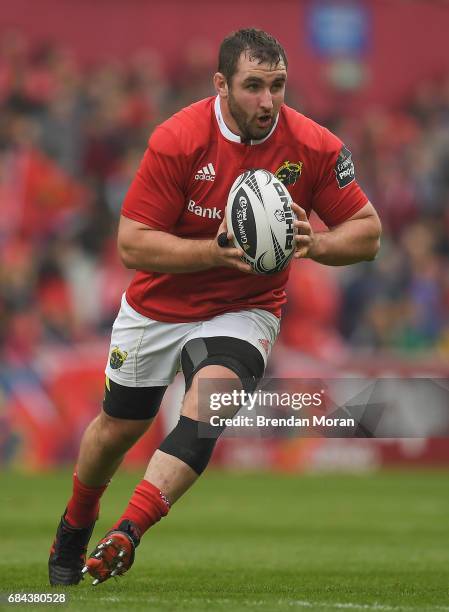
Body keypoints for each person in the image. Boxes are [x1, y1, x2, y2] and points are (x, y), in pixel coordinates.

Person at [48, 28, 381, 586]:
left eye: (277, 86)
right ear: (221, 84)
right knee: (117, 431)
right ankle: (76, 523)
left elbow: (368, 234)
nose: (268, 102)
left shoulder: (314, 145)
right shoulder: (178, 138)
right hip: (158, 305)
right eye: (253, 86)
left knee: (211, 405)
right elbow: (131, 242)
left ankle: (127, 532)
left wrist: (313, 243)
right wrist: (216, 251)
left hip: (246, 309)